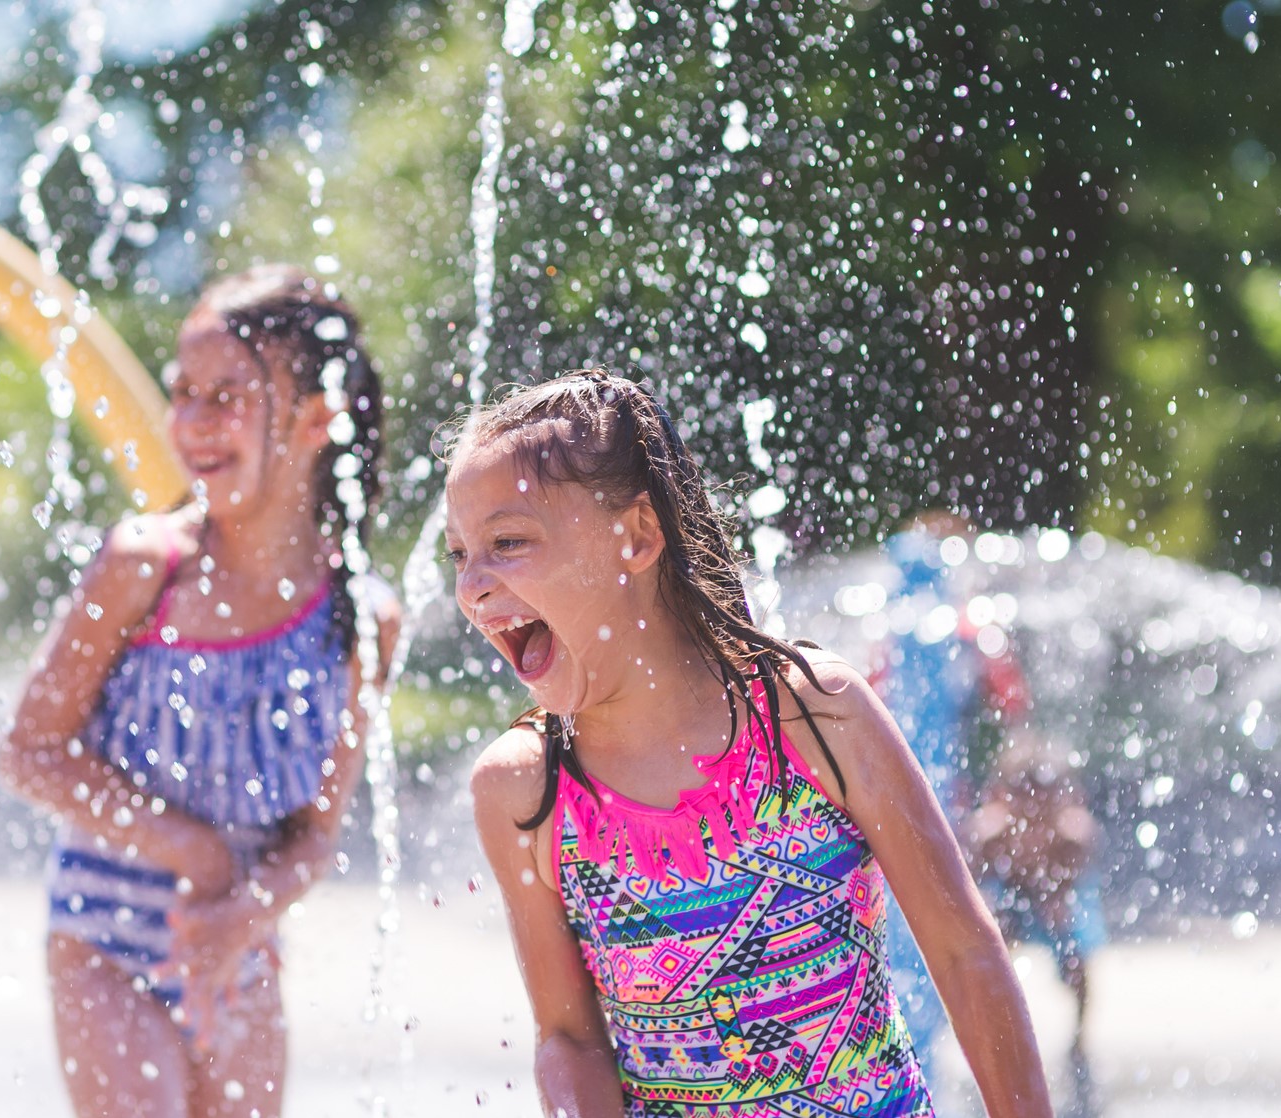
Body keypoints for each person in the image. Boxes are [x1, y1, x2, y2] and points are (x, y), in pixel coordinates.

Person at [449, 371, 1053, 1118]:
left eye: (506, 542)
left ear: (636, 536)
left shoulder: (813, 716)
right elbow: (569, 1038)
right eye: (458, 554)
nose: (470, 586)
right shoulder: (526, 791)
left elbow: (965, 955)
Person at [0, 264, 396, 1118]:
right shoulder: (147, 569)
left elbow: (315, 837)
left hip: (238, 954)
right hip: (105, 944)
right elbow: (27, 753)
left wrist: (243, 913)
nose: (192, 421)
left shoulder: (360, 618)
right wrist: (187, 846)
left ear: (318, 418)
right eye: (184, 392)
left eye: (227, 395)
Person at [966, 730, 1103, 1112]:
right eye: (1024, 798)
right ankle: (992, 1029)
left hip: (1055, 893)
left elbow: (1075, 887)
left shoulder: (1073, 836)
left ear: (1064, 799)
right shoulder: (989, 834)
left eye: (1044, 799)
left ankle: (1078, 1038)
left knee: (1077, 955)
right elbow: (968, 890)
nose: (1034, 809)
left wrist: (1056, 904)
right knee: (986, 946)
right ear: (1002, 797)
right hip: (1010, 891)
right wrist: (990, 913)